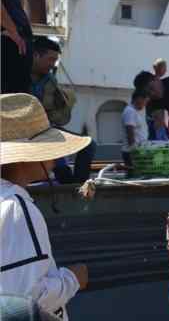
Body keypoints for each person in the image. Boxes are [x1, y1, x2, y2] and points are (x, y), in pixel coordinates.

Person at [0, 93, 89, 321]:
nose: (54, 158)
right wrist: (73, 279)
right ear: (26, 158)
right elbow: (26, 302)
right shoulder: (16, 208)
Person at [30, 37, 96, 184]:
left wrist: (63, 103)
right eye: (50, 59)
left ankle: (79, 187)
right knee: (60, 165)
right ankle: (67, 184)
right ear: (35, 55)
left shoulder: (50, 80)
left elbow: (57, 116)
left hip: (47, 130)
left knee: (89, 144)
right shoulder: (17, 77)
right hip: (27, 132)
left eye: (55, 60)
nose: (53, 64)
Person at [1, 0, 34, 94]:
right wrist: (13, 32)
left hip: (17, 43)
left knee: (17, 96)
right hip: (8, 43)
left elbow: (17, 9)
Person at [121, 90, 149, 176]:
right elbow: (130, 132)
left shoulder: (136, 111)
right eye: (145, 101)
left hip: (139, 150)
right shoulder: (130, 111)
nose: (145, 104)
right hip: (132, 152)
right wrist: (135, 150)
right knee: (134, 176)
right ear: (139, 99)